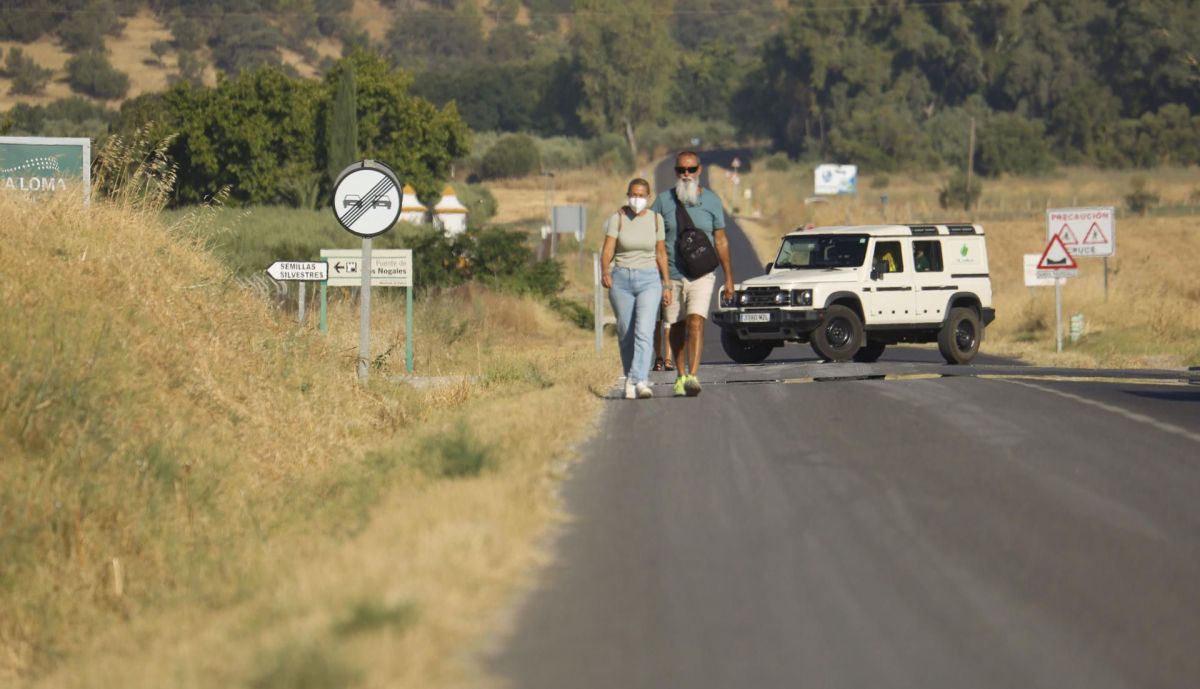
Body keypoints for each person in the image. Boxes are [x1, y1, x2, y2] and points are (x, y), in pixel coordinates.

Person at [650, 151, 734, 397]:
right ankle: (680, 375)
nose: (686, 174)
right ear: (675, 172)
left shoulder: (712, 201)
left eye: (691, 169)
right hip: (672, 276)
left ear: (699, 170)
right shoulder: (663, 201)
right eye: (681, 170)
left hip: (702, 275)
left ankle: (693, 376)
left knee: (696, 321)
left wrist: (729, 278)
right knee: (677, 326)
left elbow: (721, 241)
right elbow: (651, 239)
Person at [601, 178, 672, 399]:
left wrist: (666, 284)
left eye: (641, 195)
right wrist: (605, 271)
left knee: (644, 331)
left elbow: (661, 253)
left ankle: (638, 380)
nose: (637, 199)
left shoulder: (656, 220)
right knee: (626, 332)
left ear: (649, 197)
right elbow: (608, 249)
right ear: (627, 195)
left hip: (649, 279)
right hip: (621, 279)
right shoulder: (618, 218)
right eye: (633, 194)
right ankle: (631, 377)